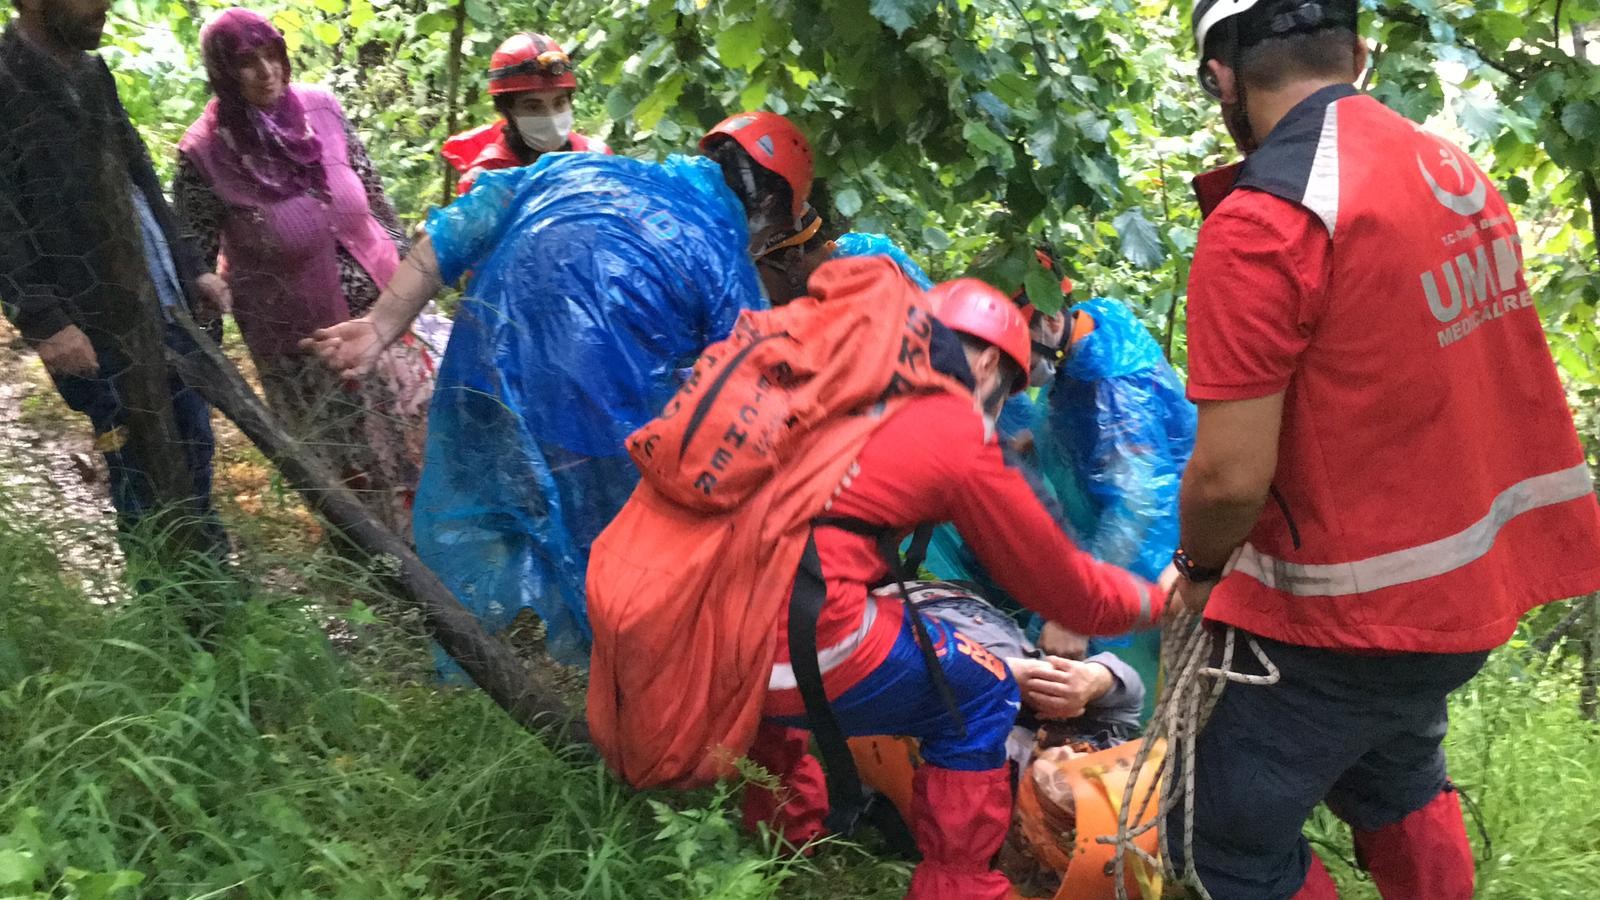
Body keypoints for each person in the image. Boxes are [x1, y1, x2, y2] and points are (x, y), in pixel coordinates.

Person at [1169, 1, 1600, 898]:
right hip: (1461, 593)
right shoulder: (1449, 168)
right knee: (1394, 774)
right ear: (1359, 51)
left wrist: (1196, 568)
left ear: (1222, 76)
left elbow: (1227, 476)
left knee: (1216, 836)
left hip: (1348, 616)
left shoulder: (1266, 220)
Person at [303, 110, 815, 662]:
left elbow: (453, 232)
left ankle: (486, 644)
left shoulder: (575, 171)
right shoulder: (726, 267)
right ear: (766, 206)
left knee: (491, 514)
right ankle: (606, 668)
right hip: (594, 421)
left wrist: (380, 327)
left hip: (483, 380)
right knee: (606, 552)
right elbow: (750, 395)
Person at [737, 277, 1164, 899]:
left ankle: (782, 827)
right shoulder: (946, 427)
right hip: (804, 634)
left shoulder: (845, 387)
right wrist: (1150, 613)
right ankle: (959, 885)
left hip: (724, 619)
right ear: (990, 360)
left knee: (954, 678)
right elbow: (1074, 601)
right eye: (1005, 396)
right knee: (976, 693)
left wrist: (1090, 678)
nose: (1068, 766)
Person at [174, 8, 433, 537]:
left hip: (386, 312)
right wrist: (206, 347)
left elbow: (375, 197)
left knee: (421, 441)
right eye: (247, 63)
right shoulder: (204, 155)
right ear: (223, 73)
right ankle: (380, 579)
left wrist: (411, 270)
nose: (267, 71)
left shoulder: (321, 110)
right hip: (305, 344)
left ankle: (437, 559)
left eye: (273, 55)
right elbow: (194, 259)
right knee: (353, 469)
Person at [0, 0, 229, 554]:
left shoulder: (90, 70)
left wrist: (192, 266)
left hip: (158, 298)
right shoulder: (6, 83)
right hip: (91, 318)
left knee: (194, 444)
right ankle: (166, 611)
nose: (103, 4)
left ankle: (214, 597)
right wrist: (45, 321)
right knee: (137, 466)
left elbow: (138, 174)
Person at [440, 32, 611, 195]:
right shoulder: (487, 180)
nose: (551, 117)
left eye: (559, 103)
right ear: (507, 111)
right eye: (534, 107)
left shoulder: (597, 158)